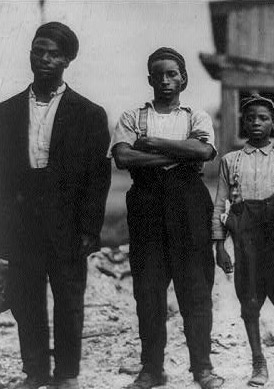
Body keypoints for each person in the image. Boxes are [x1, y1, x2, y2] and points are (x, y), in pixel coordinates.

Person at [0, 22, 111, 389]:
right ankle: (35, 373)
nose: (44, 59)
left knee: (68, 299)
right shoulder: (6, 112)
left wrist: (89, 230)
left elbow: (98, 178)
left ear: (67, 59)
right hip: (21, 222)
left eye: (53, 54)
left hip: (67, 220)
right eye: (38, 51)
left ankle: (66, 375)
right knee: (25, 298)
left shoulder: (89, 114)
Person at [110, 47, 223, 389]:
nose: (165, 80)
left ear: (184, 78)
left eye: (172, 74)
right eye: (158, 75)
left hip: (189, 202)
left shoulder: (196, 116)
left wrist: (155, 143)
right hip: (146, 203)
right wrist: (179, 153)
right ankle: (151, 369)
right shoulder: (132, 117)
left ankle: (202, 368)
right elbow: (123, 158)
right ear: (150, 80)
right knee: (148, 290)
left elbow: (203, 151)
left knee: (196, 289)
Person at [212, 94, 274, 387]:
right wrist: (219, 244)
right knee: (249, 299)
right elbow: (221, 205)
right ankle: (258, 362)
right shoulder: (230, 161)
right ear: (243, 123)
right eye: (250, 118)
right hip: (245, 236)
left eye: (263, 118)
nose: (256, 123)